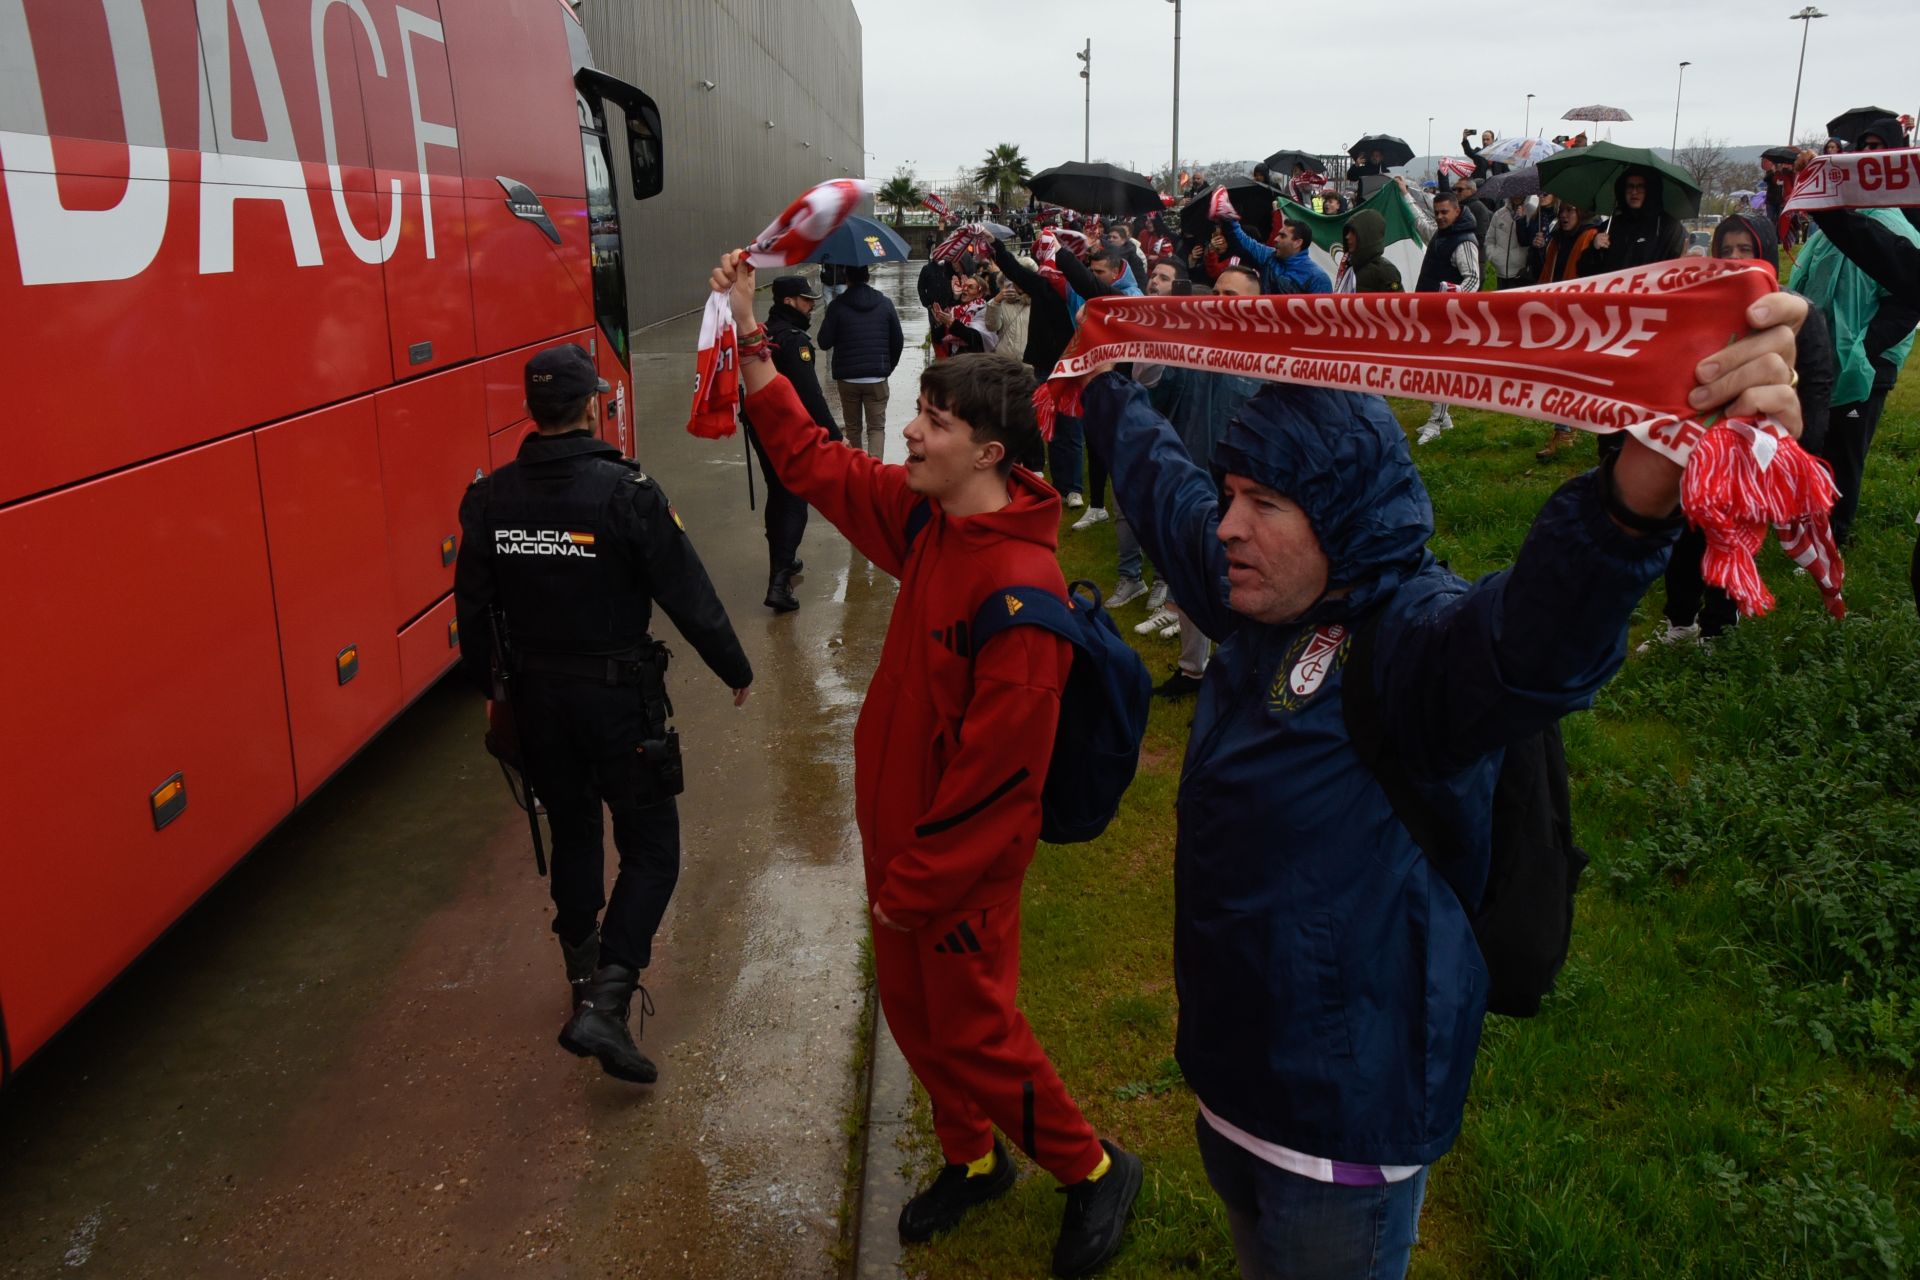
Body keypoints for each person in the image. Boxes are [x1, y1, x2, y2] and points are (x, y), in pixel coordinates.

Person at [1079, 290, 1807, 1280]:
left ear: (1339, 515)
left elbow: (1533, 638)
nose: (1227, 527)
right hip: (1228, 1083)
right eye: (1232, 491)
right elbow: (1167, 493)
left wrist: (1634, 497)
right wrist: (1099, 379)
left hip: (1341, 1138)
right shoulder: (1257, 600)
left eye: (1265, 502)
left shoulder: (1418, 646)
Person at [709, 250, 1144, 1278]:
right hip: (903, 848)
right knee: (916, 1020)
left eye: (934, 421)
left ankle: (1090, 1168)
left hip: (955, 872)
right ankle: (973, 1157)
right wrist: (750, 334)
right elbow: (814, 459)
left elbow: (1001, 788)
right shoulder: (929, 520)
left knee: (977, 1032)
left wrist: (918, 886)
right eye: (919, 409)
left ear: (988, 450)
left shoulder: (1020, 606)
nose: (909, 427)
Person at [454, 344, 754, 1085]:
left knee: (576, 829)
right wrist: (734, 669)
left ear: (533, 409)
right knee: (653, 848)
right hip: (618, 701)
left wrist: (499, 698)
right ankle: (609, 1000)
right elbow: (686, 591)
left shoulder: (489, 500)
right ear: (592, 404)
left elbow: (472, 615)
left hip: (538, 703)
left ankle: (581, 971)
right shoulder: (627, 493)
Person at [1641, 211, 1835, 650]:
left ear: (1765, 252)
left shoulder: (1801, 313)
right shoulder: (1703, 308)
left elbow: (1817, 388)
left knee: (1731, 540)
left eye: (1744, 249)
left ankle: (1720, 629)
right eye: (1725, 250)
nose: (1733, 258)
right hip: (1701, 452)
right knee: (1687, 538)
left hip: (1755, 454)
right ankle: (1680, 621)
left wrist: (1800, 448)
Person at [1134, 264, 1262, 695]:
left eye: (1233, 298)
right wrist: (1158, 335)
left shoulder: (1266, 357)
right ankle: (1193, 669)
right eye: (1218, 294)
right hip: (1190, 479)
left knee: (1245, 583)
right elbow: (1150, 385)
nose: (1222, 304)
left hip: (1245, 490)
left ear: (1255, 306)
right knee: (1190, 574)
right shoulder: (1187, 344)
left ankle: (1243, 673)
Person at [742, 276, 842, 612]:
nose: (812, 304)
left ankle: (784, 560)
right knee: (794, 498)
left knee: (778, 492)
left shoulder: (766, 332)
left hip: (762, 427)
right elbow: (810, 395)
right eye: (805, 299)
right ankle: (779, 584)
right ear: (788, 301)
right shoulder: (793, 340)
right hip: (785, 430)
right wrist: (833, 434)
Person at [1531, 203, 1605, 459]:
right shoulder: (1557, 240)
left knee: (1568, 373)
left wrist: (1596, 249)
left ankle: (1565, 430)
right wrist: (1537, 250)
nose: (1564, 215)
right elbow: (1548, 274)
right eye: (1562, 210)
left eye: (1571, 210)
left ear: (1582, 212)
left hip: (1580, 314)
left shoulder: (1591, 236)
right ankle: (1568, 426)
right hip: (1556, 311)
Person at [1413, 190, 1481, 444]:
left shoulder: (1463, 240)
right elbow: (1420, 223)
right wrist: (1405, 196)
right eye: (1437, 212)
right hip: (1429, 311)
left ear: (1457, 211)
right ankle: (1444, 416)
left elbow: (1473, 278)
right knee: (1427, 365)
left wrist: (1453, 294)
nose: (1440, 217)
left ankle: (1437, 421)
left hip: (1447, 316)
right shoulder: (1442, 235)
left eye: (1445, 212)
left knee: (1438, 368)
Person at [818, 265, 905, 461]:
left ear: (846, 277)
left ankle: (857, 472)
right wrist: (887, 367)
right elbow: (897, 340)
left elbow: (824, 342)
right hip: (877, 377)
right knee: (876, 428)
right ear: (867, 276)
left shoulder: (837, 306)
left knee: (853, 428)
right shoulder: (885, 304)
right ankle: (875, 473)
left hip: (848, 378)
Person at [1591, 169, 1686, 272]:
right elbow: (1585, 271)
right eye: (1630, 186)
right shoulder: (1609, 227)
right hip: (1615, 287)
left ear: (1650, 190)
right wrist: (1594, 249)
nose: (1634, 192)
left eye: (1641, 187)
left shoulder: (1668, 226)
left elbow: (1676, 269)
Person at [1221, 214, 1333, 294]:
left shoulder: (1317, 278)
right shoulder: (1269, 257)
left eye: (1282, 236)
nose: (1276, 239)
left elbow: (1320, 318)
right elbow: (1241, 242)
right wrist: (1228, 215)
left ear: (1297, 243)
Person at [1336, 208, 1403, 293]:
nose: (1347, 236)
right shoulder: (1348, 266)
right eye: (1347, 232)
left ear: (1366, 236)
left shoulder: (1386, 271)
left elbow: (1397, 304)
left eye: (1353, 232)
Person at [1485, 193, 1539, 288]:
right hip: (1500, 270)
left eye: (1521, 192)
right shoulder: (1499, 214)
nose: (1517, 195)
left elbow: (1529, 240)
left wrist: (1523, 219)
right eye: (1515, 192)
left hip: (1520, 271)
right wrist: (1493, 256)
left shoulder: (1533, 212)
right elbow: (1490, 238)